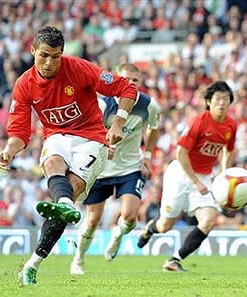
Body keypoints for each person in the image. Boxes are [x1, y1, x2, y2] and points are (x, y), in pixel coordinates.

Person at [0, 26, 137, 285]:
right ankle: (66, 203)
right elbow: (19, 132)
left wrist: (117, 123)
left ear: (62, 54)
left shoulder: (79, 68)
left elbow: (127, 88)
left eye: (56, 56)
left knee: (66, 198)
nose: (49, 63)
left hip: (92, 140)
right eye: (44, 55)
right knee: (52, 163)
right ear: (33, 51)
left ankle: (33, 262)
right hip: (56, 136)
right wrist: (9, 151)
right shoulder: (24, 84)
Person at [70, 63, 161, 275]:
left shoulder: (149, 105)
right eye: (125, 79)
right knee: (92, 220)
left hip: (129, 167)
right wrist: (103, 146)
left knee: (130, 216)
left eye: (135, 81)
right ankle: (79, 259)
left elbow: (154, 129)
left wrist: (147, 156)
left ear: (140, 83)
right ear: (116, 80)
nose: (130, 84)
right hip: (100, 169)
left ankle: (117, 236)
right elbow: (87, 131)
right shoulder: (102, 105)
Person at [137, 81, 237, 272]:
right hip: (181, 174)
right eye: (218, 99)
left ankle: (174, 260)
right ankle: (150, 228)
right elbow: (180, 153)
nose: (222, 103)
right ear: (208, 101)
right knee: (165, 225)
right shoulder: (199, 122)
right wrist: (195, 181)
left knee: (209, 220)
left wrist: (224, 173)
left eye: (226, 99)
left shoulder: (231, 125)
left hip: (204, 178)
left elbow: (228, 150)